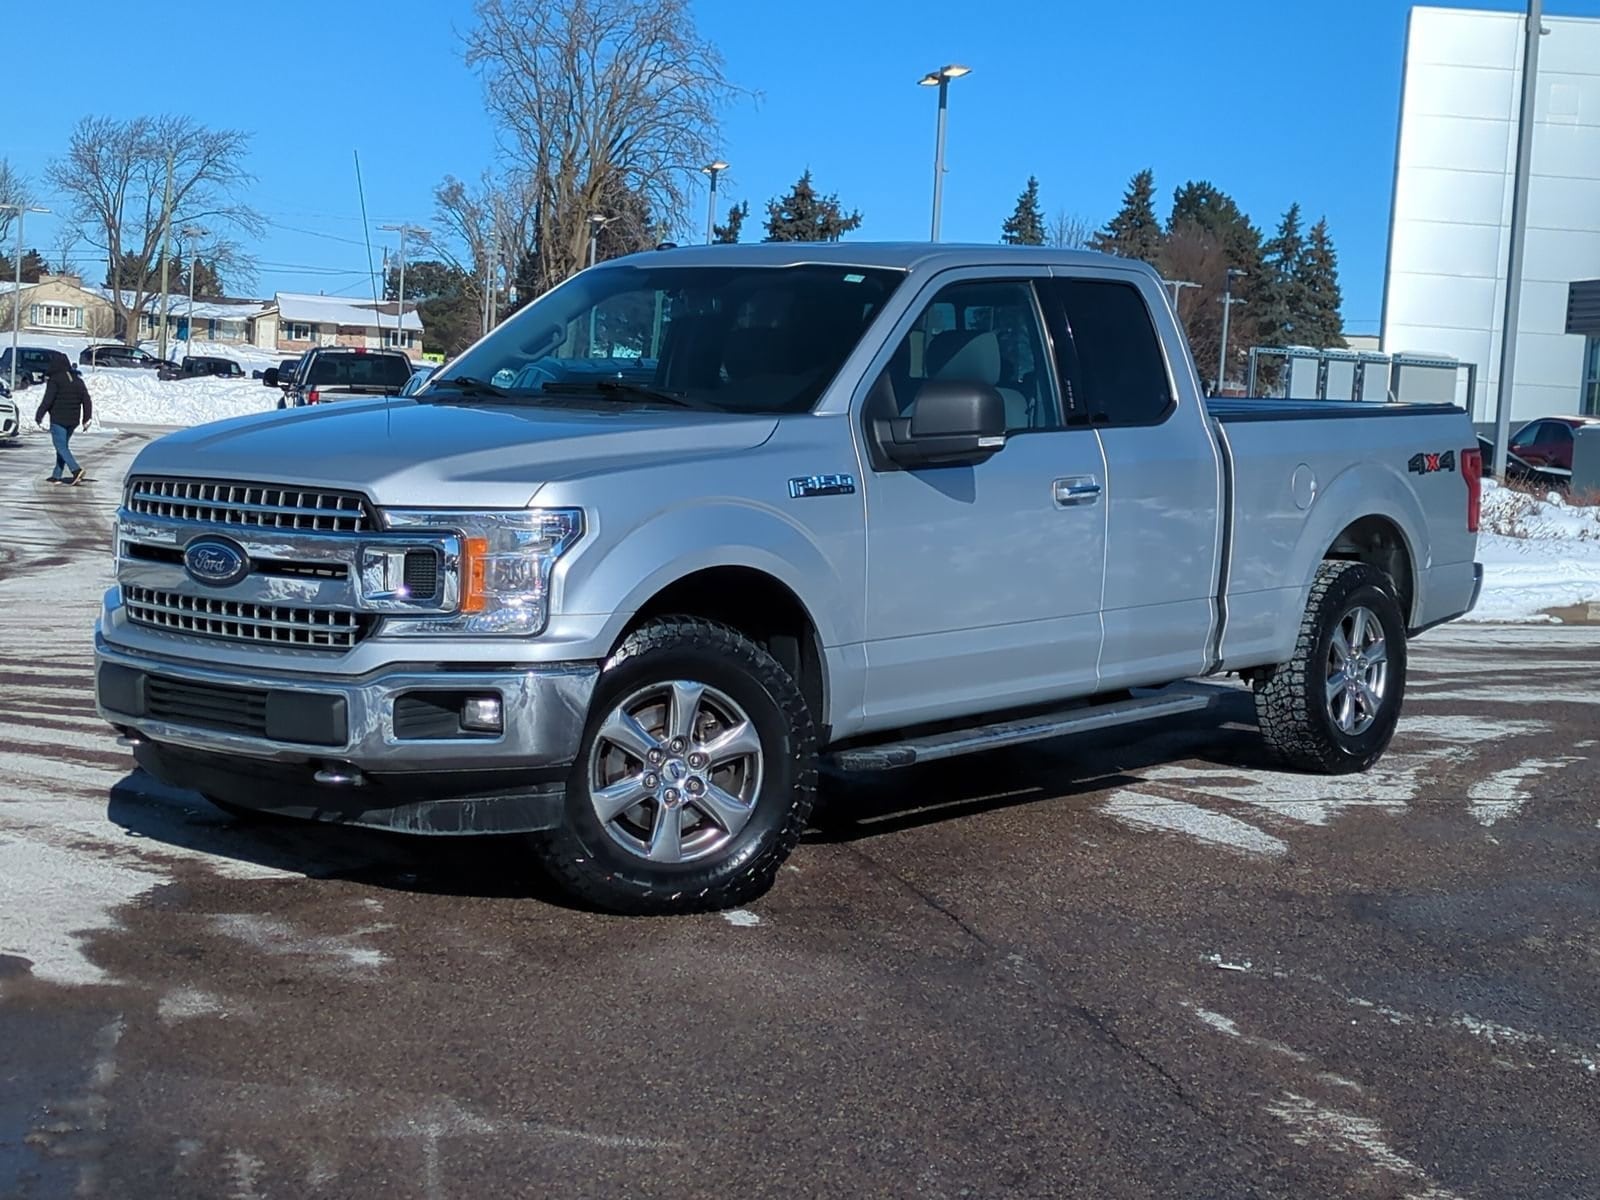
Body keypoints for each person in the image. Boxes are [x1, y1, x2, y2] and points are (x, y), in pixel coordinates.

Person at [35, 357, 93, 485]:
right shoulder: (78, 380)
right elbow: (87, 400)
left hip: (58, 419)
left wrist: (39, 416)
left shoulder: (55, 380)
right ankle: (56, 475)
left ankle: (76, 470)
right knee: (63, 447)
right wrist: (86, 418)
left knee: (60, 446)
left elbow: (48, 400)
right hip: (73, 420)